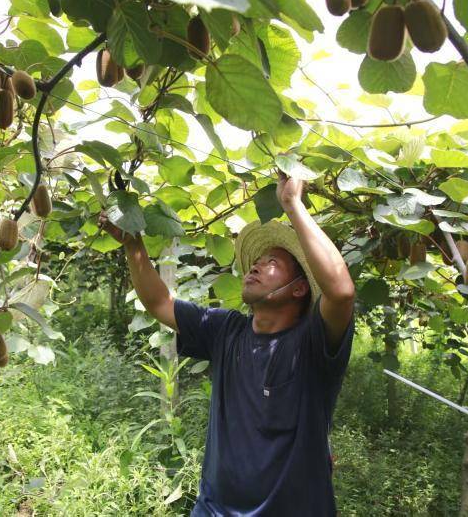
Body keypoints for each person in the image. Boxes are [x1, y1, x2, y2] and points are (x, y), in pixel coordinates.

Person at [98, 170, 355, 516]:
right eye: (255, 262)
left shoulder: (313, 342)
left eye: (271, 263)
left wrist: (293, 204)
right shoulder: (226, 330)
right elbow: (160, 303)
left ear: (299, 288)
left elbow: (341, 292)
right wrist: (133, 244)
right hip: (214, 509)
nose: (255, 268)